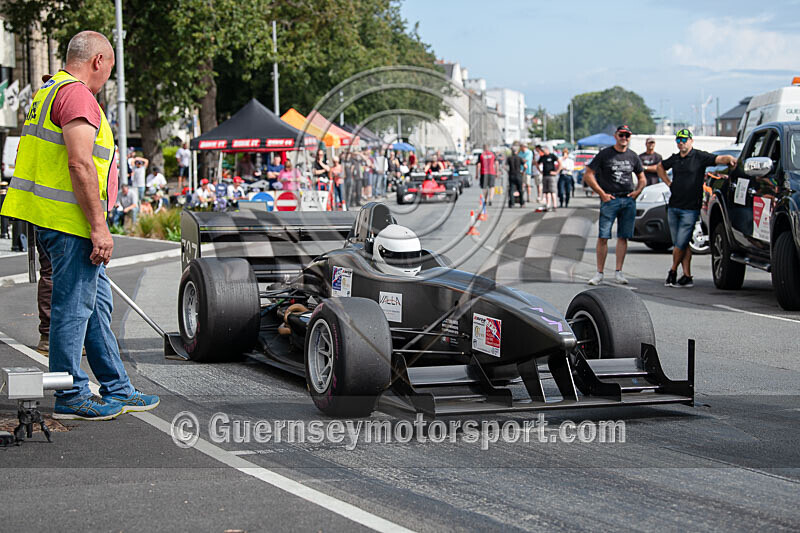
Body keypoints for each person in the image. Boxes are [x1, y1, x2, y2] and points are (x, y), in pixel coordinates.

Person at [0, 31, 159, 419]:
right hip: (71, 223)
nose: (108, 79)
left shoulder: (48, 92)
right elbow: (80, 163)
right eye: (110, 69)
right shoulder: (76, 96)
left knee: (96, 306)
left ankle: (116, 387)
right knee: (73, 308)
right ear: (99, 61)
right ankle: (70, 393)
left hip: (58, 220)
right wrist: (99, 227)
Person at [652, 129, 737, 287]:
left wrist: (730, 158)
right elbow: (660, 167)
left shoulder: (699, 156)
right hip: (674, 206)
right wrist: (669, 183)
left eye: (685, 140)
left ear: (691, 141)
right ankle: (687, 275)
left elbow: (718, 159)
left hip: (690, 208)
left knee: (681, 241)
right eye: (679, 140)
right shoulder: (676, 159)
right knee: (680, 243)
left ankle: (672, 271)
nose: (682, 143)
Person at [583, 125, 646, 285]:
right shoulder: (605, 154)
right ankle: (599, 273)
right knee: (603, 236)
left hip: (628, 199)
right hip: (610, 199)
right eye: (621, 135)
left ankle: (619, 271)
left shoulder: (633, 156)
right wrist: (601, 193)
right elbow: (589, 174)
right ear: (615, 136)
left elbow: (642, 177)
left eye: (627, 135)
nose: (624, 138)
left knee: (623, 237)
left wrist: (638, 191)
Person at [538, 145, 560, 211]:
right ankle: (548, 205)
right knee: (546, 191)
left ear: (547, 150)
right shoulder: (542, 157)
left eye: (544, 150)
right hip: (545, 175)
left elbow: (560, 163)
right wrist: (540, 171)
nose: (543, 152)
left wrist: (556, 172)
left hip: (551, 176)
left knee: (552, 191)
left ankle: (555, 205)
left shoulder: (552, 156)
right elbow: (537, 163)